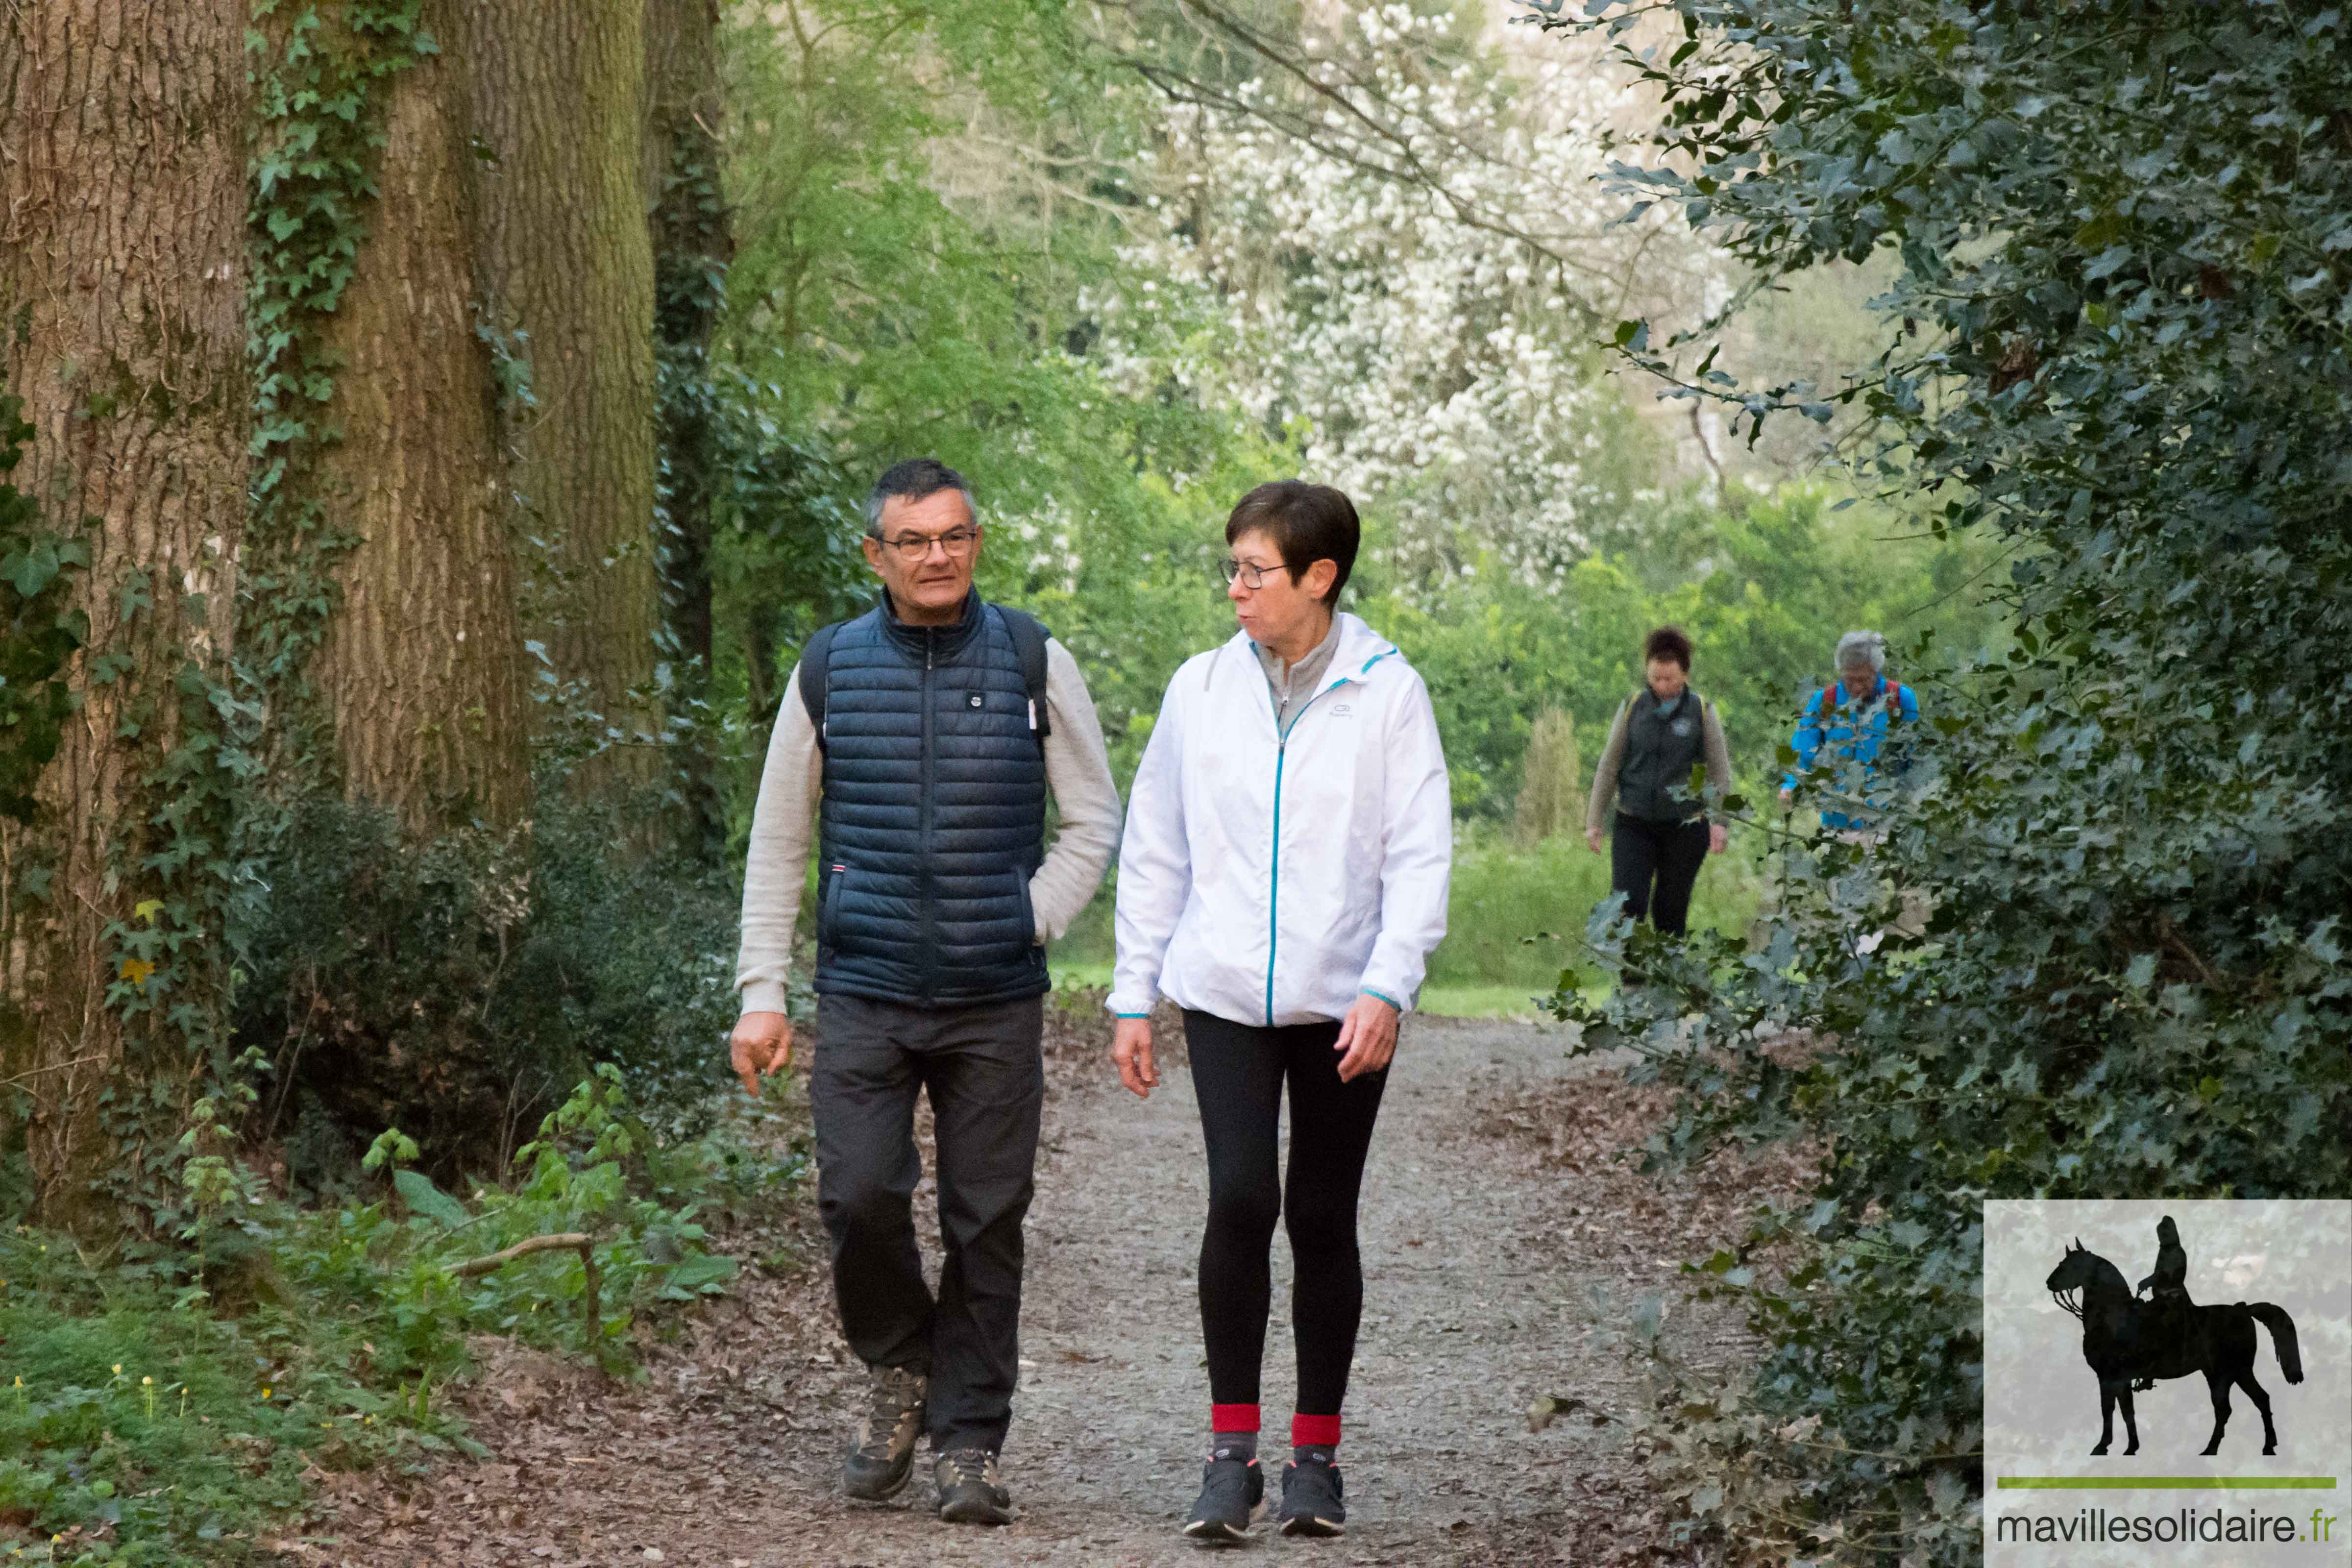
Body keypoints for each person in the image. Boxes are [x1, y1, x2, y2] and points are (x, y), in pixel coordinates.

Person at [729, 458, 1122, 1526]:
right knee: (857, 1194)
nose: (937, 555)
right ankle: (900, 1368)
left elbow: (1094, 819)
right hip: (865, 985)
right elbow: (780, 838)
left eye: (954, 536)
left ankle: (969, 1441)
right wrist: (762, 987)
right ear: (876, 555)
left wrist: (1026, 914)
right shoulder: (829, 668)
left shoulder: (1037, 658)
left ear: (976, 542)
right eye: (914, 540)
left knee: (988, 1217)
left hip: (995, 994)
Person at [1107, 480, 1452, 1543]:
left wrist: (1391, 981)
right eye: (1233, 567)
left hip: (1346, 1000)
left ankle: (1316, 1456)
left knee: (1321, 1216)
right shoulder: (1199, 688)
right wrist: (1133, 993)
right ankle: (1229, 1455)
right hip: (1222, 997)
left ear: (1320, 577)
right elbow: (1155, 842)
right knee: (1239, 1200)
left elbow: (1419, 849)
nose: (1237, 588)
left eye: (1255, 571)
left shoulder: (1386, 689)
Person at [1582, 625, 1733, 936]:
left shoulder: (1702, 711)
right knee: (1628, 904)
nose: (1662, 686)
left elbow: (1719, 771)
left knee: (1670, 908)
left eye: (1670, 679)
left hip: (1685, 827)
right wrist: (1594, 820)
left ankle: (1667, 978)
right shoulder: (1633, 707)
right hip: (1633, 821)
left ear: (1685, 676)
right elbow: (1609, 766)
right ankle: (1633, 981)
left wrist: (1720, 822)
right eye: (1655, 678)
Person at [1778, 629, 1921, 831]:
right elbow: (1802, 752)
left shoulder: (1900, 699)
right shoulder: (1825, 701)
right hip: (1837, 824)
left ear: (1876, 671)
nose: (1856, 688)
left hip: (1889, 824)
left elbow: (1916, 759)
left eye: (1863, 680)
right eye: (1849, 679)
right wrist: (1791, 786)